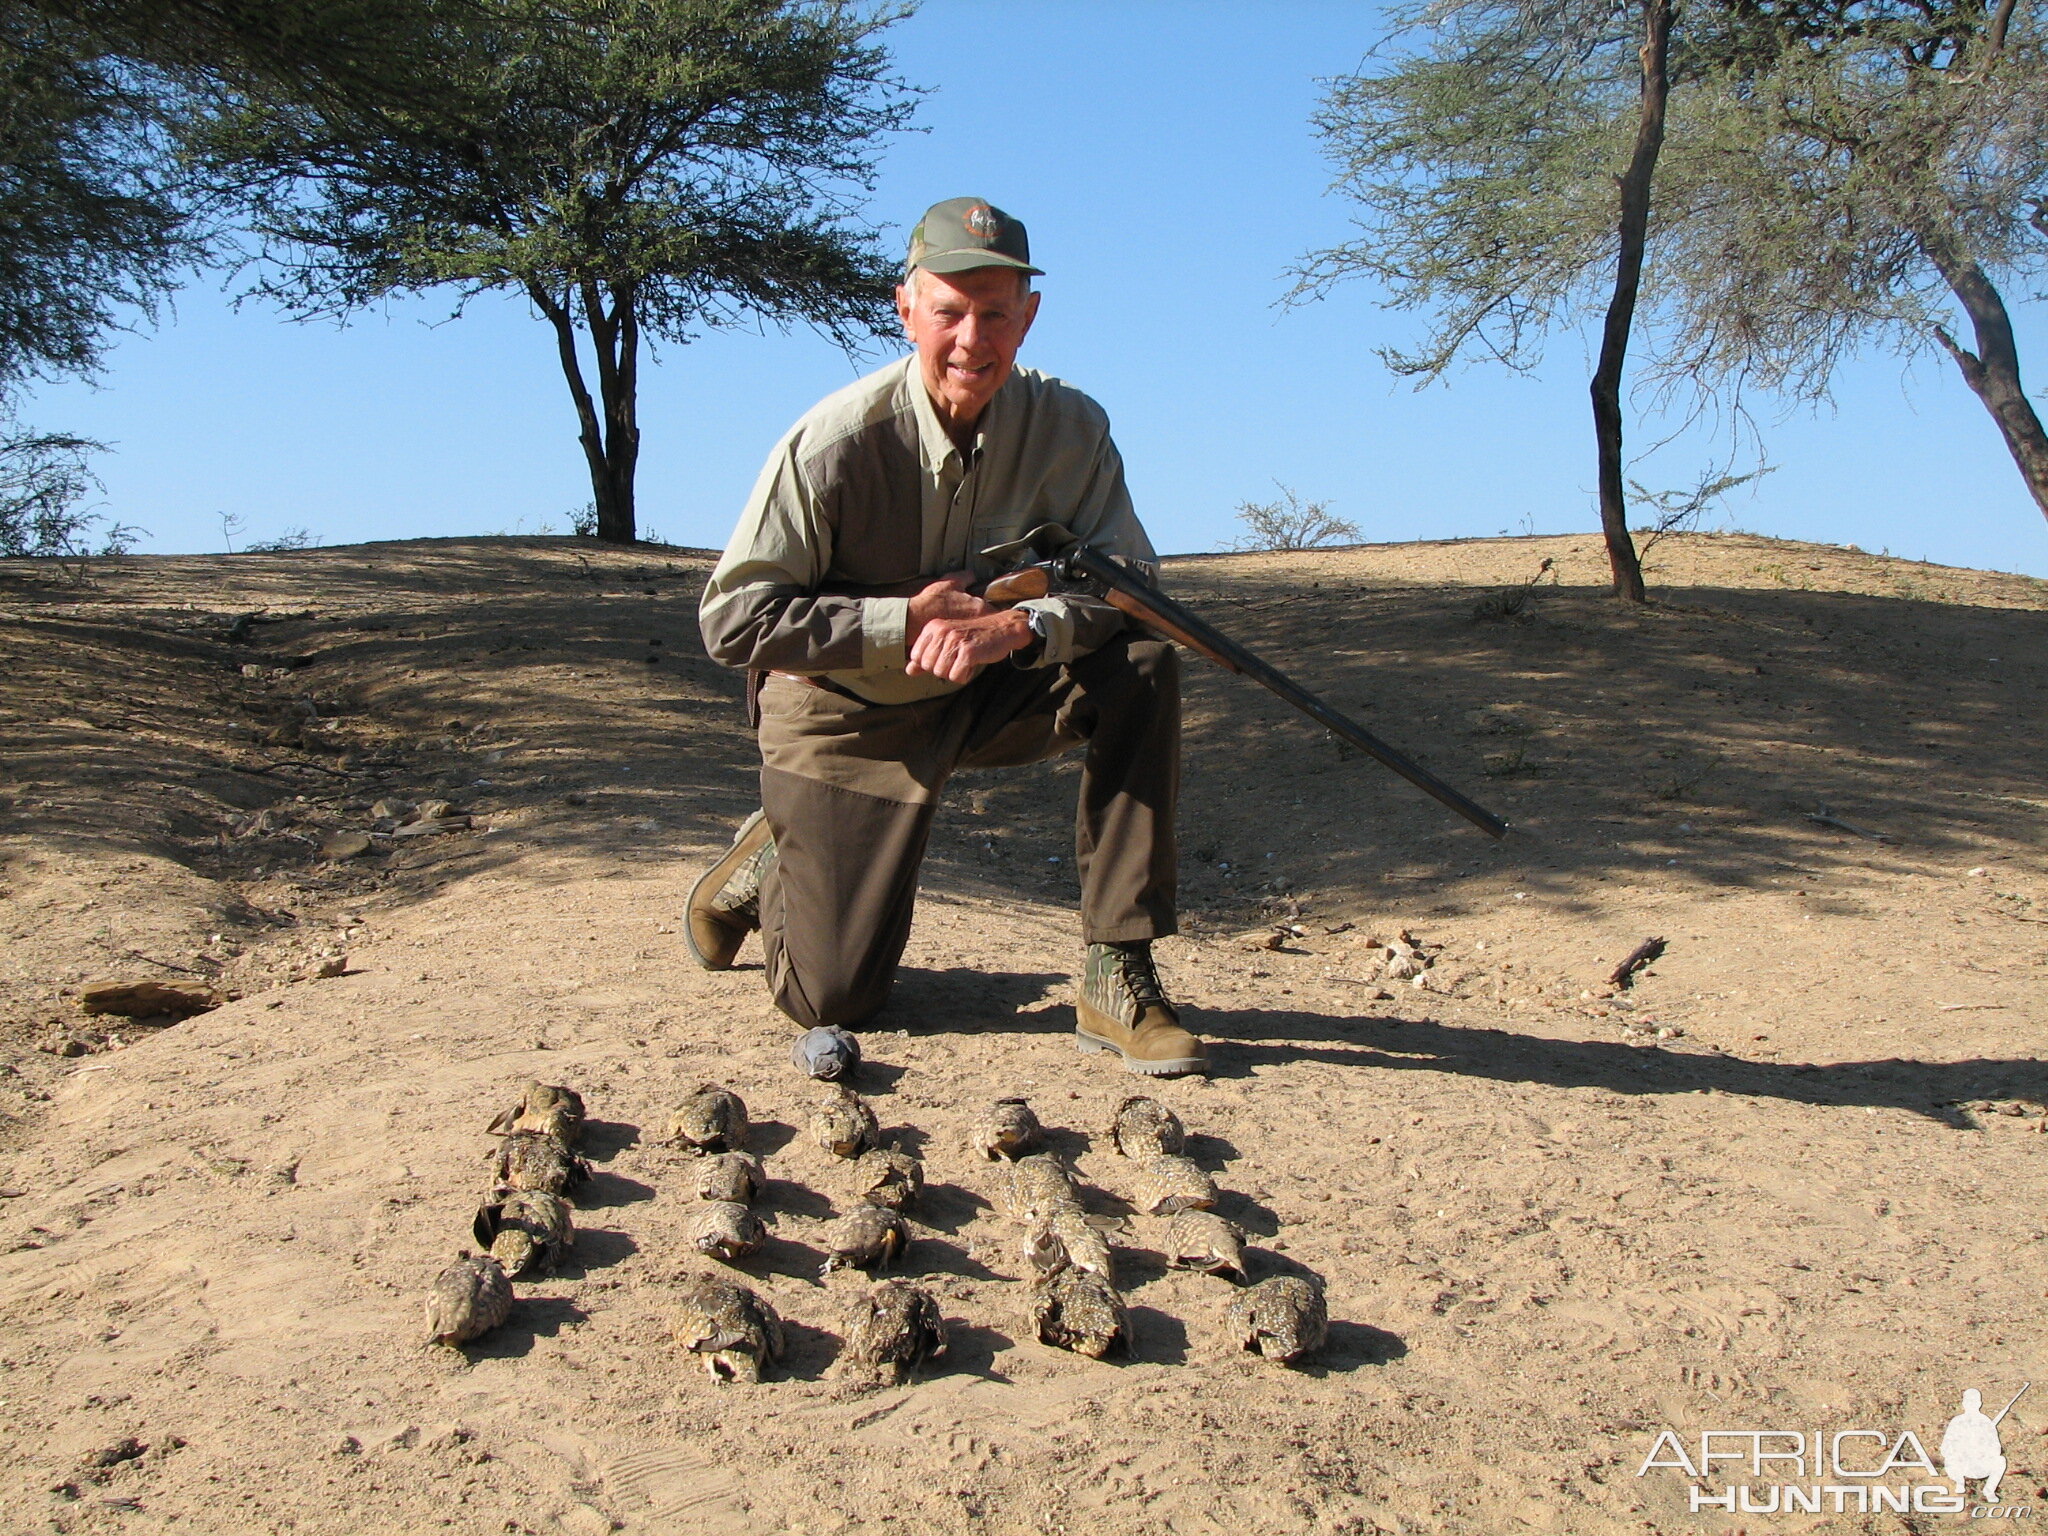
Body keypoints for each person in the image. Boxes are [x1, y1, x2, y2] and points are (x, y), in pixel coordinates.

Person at [689, 195, 1205, 1083]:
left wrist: (1020, 627)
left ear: (1028, 315)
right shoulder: (831, 445)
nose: (973, 339)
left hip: (987, 691)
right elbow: (733, 620)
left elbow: (1133, 588)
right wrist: (902, 622)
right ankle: (769, 857)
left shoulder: (1073, 430)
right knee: (834, 1000)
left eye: (996, 313)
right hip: (845, 717)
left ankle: (1119, 968)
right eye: (950, 312)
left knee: (1145, 660)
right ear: (906, 309)